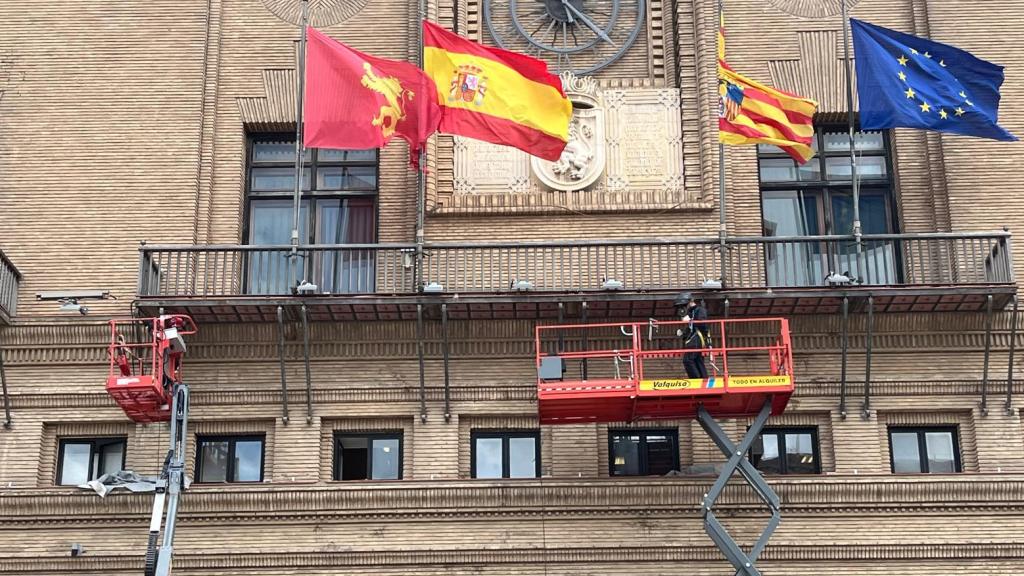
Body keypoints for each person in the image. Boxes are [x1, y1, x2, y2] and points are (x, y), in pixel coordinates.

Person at [674, 293, 710, 379]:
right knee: (698, 360)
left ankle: (696, 380)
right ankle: (703, 380)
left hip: (698, 338)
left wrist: (690, 320)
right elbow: (690, 328)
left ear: (690, 302)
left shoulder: (700, 310)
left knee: (688, 360)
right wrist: (683, 332)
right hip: (693, 338)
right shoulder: (691, 312)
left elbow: (702, 324)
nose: (683, 308)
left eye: (684, 305)